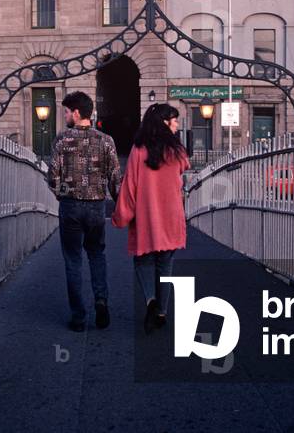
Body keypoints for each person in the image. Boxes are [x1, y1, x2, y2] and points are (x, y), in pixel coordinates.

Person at [112, 103, 191, 334]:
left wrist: (121, 215)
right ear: (164, 122)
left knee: (143, 260)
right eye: (174, 120)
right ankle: (162, 312)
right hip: (171, 215)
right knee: (165, 263)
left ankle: (150, 300)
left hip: (146, 217)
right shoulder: (177, 151)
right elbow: (184, 169)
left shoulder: (138, 150)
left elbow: (130, 186)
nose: (177, 124)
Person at [48, 91, 121, 332]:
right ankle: (101, 300)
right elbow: (115, 178)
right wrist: (117, 201)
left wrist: (61, 194)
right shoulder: (106, 140)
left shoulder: (61, 140)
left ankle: (79, 317)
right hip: (96, 207)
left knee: (73, 260)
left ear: (76, 112)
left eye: (67, 111)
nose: (65, 116)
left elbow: (52, 176)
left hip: (70, 206)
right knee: (96, 254)